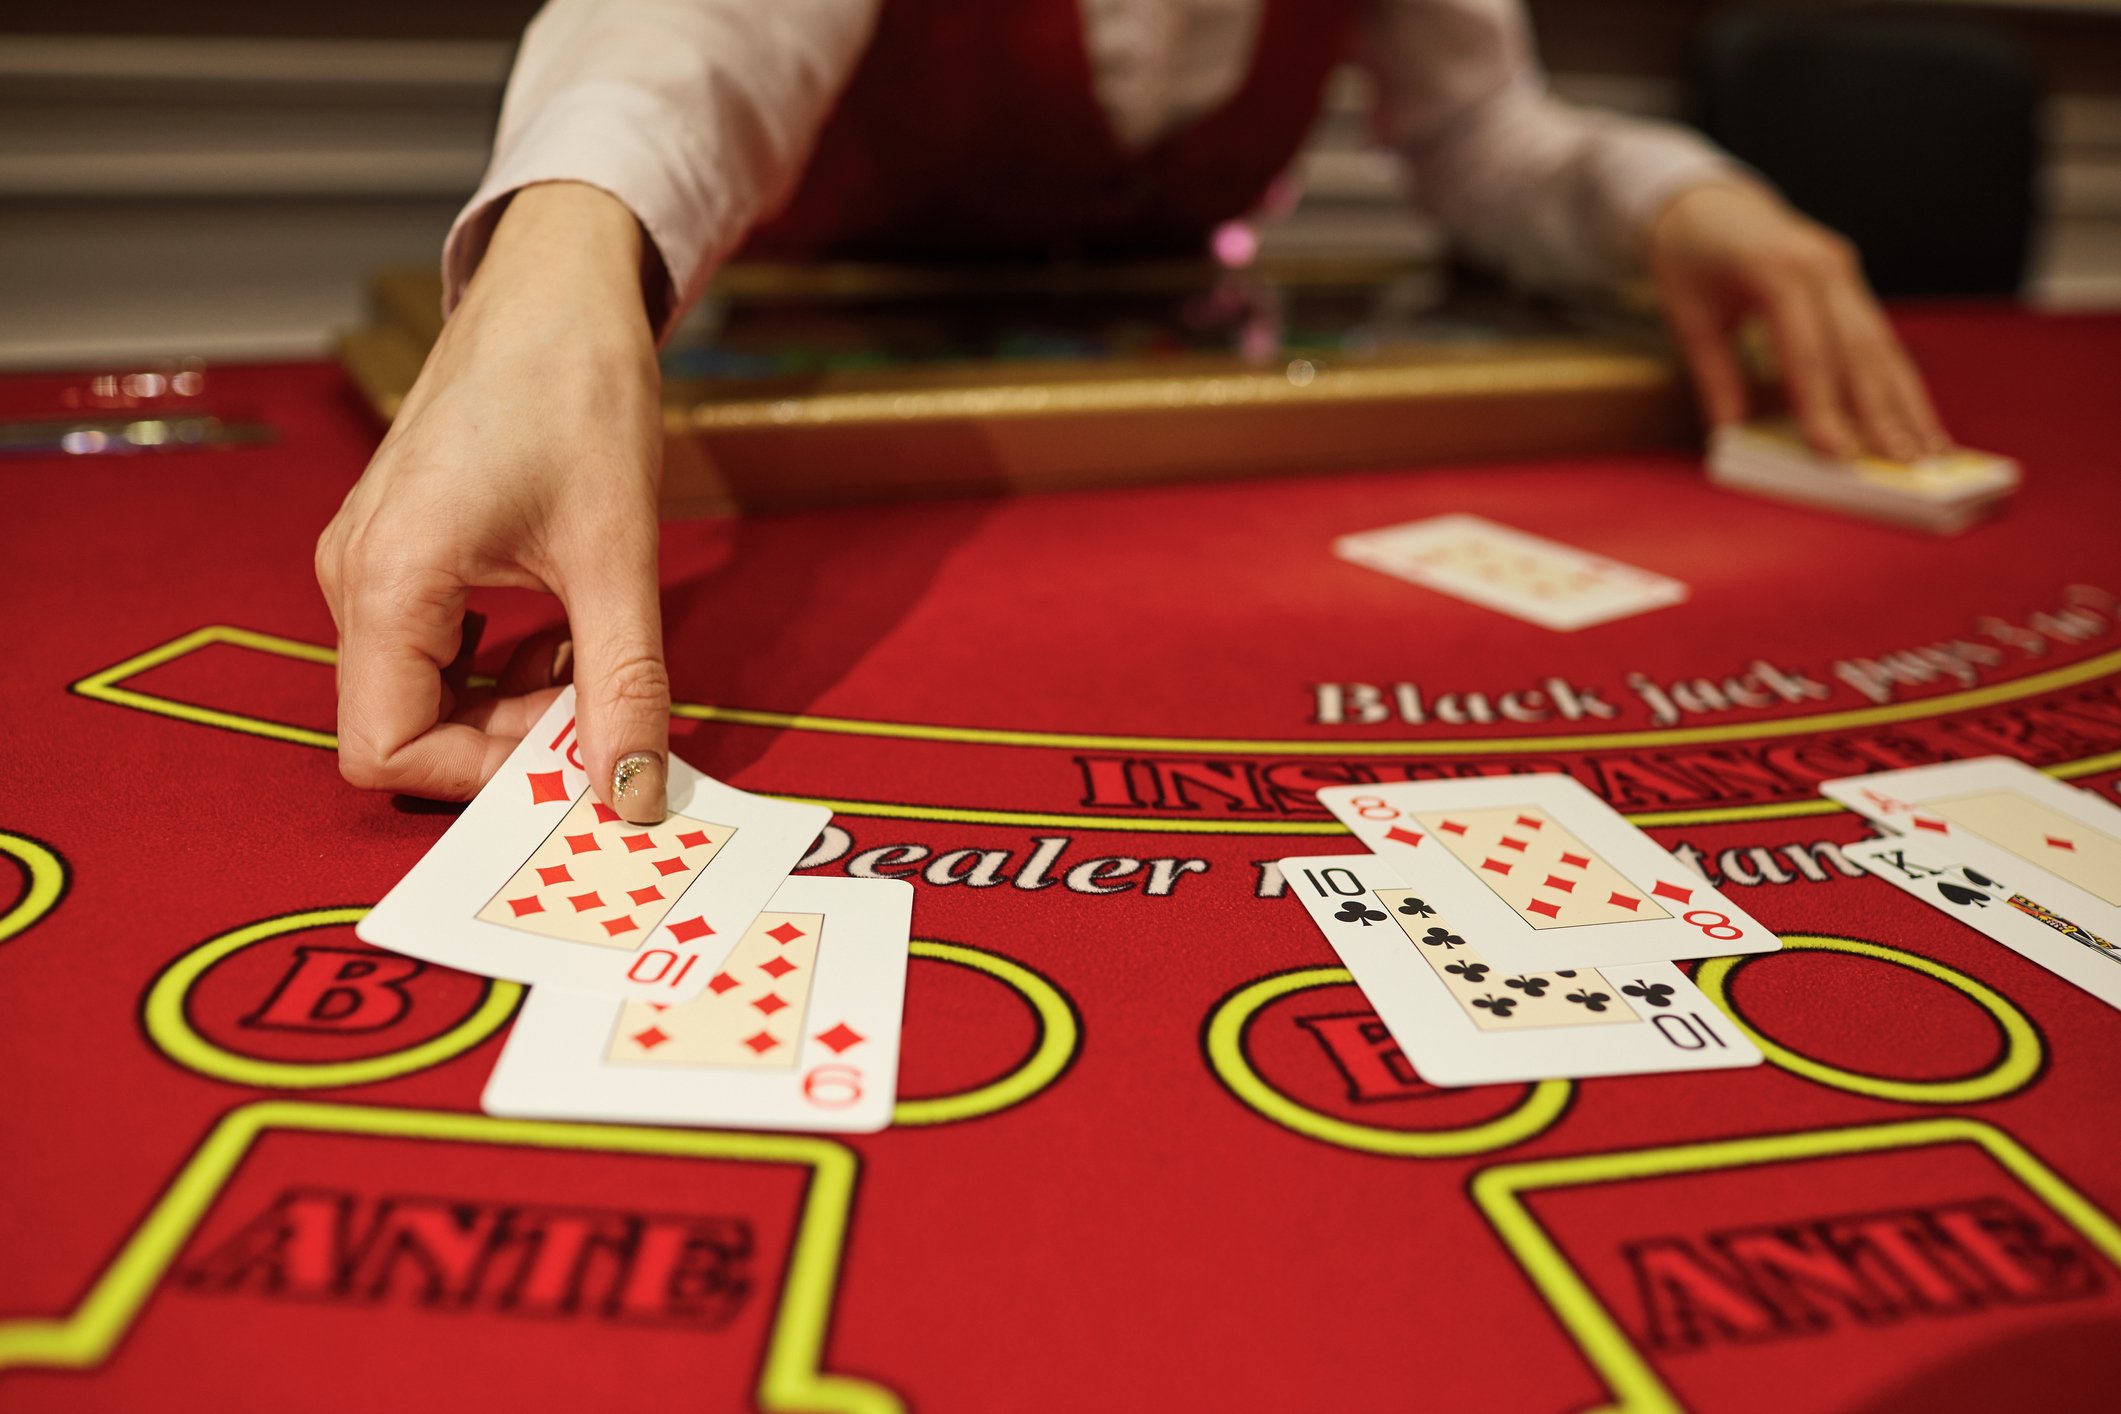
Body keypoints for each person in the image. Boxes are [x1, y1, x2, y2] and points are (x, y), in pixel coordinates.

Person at [315, 0, 1951, 822]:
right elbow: (697, 35)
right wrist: (571, 246)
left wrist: (1671, 200)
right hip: (807, 401)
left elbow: (1483, 133)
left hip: (1174, 411)